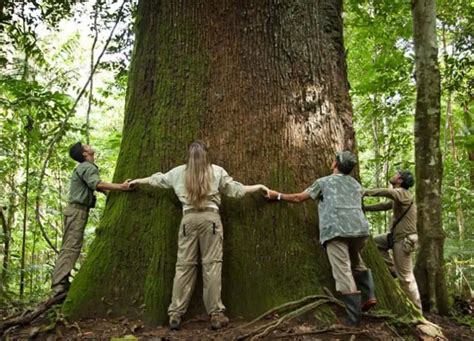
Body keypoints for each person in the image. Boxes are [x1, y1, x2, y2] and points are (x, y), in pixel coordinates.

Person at [128, 140, 268, 331]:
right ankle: (216, 315)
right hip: (210, 219)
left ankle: (175, 314)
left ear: (189, 155)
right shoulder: (217, 171)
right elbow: (236, 190)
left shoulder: (178, 172)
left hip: (188, 219)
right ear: (206, 154)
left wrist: (137, 181)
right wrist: (259, 186)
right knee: (212, 265)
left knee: (184, 266)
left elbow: (157, 179)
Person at [266, 151, 376, 326]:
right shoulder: (356, 185)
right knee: (356, 259)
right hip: (360, 231)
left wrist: (277, 196)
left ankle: (353, 319)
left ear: (334, 164)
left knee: (343, 272)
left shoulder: (324, 182)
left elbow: (298, 198)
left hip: (336, 231)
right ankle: (369, 295)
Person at [51, 142, 132, 296]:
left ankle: (61, 282)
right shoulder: (87, 167)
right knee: (71, 246)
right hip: (77, 211)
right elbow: (97, 184)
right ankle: (59, 286)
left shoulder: (84, 168)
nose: (89, 145)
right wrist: (122, 187)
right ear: (84, 153)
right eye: (86, 145)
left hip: (75, 211)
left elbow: (95, 186)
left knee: (71, 245)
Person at [363, 170, 422, 310]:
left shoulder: (402, 193)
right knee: (375, 243)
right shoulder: (400, 197)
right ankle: (392, 269)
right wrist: (364, 208)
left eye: (397, 174)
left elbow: (387, 192)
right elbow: (384, 206)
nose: (394, 175)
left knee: (406, 278)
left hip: (403, 240)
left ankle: (417, 310)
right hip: (394, 237)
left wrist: (364, 192)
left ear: (400, 181)